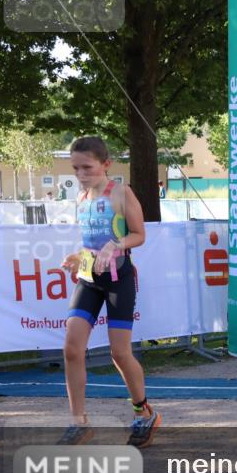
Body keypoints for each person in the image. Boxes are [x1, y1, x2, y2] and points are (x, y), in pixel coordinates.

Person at [57, 136, 160, 447]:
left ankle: (144, 413)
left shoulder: (121, 193)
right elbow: (90, 242)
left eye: (87, 167)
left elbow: (139, 234)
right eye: (75, 168)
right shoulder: (82, 197)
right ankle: (79, 422)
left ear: (105, 164)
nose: (81, 174)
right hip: (89, 279)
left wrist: (116, 244)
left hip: (119, 279)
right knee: (72, 348)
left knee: (119, 352)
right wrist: (77, 258)